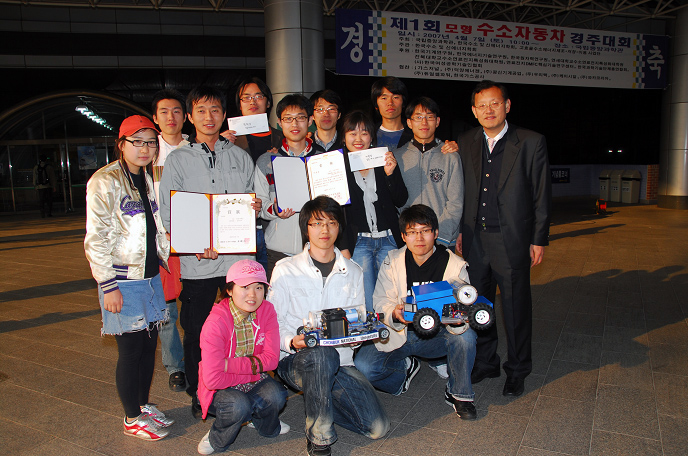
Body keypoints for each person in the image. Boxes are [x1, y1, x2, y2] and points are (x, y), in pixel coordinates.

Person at [159, 86, 262, 418]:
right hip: (198, 264)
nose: (209, 117)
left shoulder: (240, 156)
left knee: (243, 325)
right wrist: (192, 245)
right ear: (190, 116)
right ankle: (200, 390)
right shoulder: (178, 159)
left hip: (238, 262)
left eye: (215, 110)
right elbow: (169, 212)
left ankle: (242, 383)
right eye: (201, 111)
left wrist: (255, 206)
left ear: (224, 115)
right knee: (198, 330)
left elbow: (252, 198)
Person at [269, 196, 390, 456]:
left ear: (339, 227)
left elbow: (356, 321)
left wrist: (357, 337)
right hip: (295, 359)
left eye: (331, 223)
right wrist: (290, 341)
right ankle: (319, 436)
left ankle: (320, 401)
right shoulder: (285, 269)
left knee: (377, 427)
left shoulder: (353, 271)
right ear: (306, 229)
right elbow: (272, 323)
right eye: (317, 223)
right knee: (321, 357)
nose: (324, 230)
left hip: (340, 362)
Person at [457, 80, 551, 397]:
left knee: (515, 309)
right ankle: (486, 362)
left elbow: (541, 193)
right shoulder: (466, 141)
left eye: (495, 103)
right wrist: (460, 231)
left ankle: (518, 369)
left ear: (507, 106)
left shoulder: (531, 142)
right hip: (475, 239)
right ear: (474, 111)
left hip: (511, 239)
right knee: (479, 305)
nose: (489, 110)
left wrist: (538, 238)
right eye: (482, 105)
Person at [84, 115, 174, 440]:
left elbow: (153, 227)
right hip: (122, 281)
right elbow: (96, 238)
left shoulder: (145, 177)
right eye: (137, 142)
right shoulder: (105, 180)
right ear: (121, 144)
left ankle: (142, 404)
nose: (145, 148)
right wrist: (108, 285)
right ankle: (131, 417)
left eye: (151, 142)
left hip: (148, 277)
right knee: (131, 351)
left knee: (149, 348)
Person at [354, 204, 478, 421]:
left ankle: (459, 393)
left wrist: (458, 319)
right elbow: (381, 301)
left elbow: (465, 306)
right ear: (403, 236)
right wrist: (394, 313)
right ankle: (404, 371)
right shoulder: (392, 261)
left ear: (436, 233)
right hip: (401, 333)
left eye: (425, 231)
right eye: (412, 232)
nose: (419, 238)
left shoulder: (454, 265)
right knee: (365, 365)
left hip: (439, 335)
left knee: (466, 336)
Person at [197, 260, 289, 455]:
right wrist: (254, 371)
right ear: (230, 290)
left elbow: (272, 360)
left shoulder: (267, 310)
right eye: (244, 287)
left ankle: (261, 423)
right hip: (221, 387)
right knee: (238, 406)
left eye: (258, 287)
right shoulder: (215, 323)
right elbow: (212, 379)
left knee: (277, 395)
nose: (252, 294)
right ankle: (217, 437)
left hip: (245, 378)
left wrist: (228, 365)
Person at [339, 110, 408, 311]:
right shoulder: (337, 166)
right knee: (366, 302)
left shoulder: (383, 160)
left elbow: (401, 199)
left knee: (393, 297)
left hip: (389, 239)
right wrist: (343, 245)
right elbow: (337, 212)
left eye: (364, 133)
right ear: (344, 137)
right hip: (359, 242)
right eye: (352, 133)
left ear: (371, 137)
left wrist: (390, 174)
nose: (358, 139)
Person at [254, 94, 322, 279]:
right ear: (279, 122)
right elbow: (260, 204)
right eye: (288, 119)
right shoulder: (266, 161)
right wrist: (275, 209)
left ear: (310, 121)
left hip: (317, 248)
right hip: (278, 251)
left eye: (300, 118)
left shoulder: (323, 159)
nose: (294, 124)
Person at [225, 77, 284, 271]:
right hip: (240, 226)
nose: (253, 101)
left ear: (268, 102)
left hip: (275, 225)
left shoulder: (283, 138)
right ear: (239, 104)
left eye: (258, 96)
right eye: (246, 97)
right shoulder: (227, 141)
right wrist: (218, 146)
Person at [151, 88, 188, 392]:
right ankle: (175, 366)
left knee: (195, 304)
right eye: (164, 112)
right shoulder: (149, 152)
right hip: (161, 239)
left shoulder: (197, 147)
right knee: (166, 307)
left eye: (176, 111)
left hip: (194, 238)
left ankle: (198, 358)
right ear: (155, 118)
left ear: (185, 116)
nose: (170, 117)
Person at [395, 96, 464, 250]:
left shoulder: (450, 157)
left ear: (437, 121)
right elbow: (395, 202)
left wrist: (440, 237)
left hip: (443, 240)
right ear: (409, 123)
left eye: (429, 117)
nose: (424, 123)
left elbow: (455, 202)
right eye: (418, 117)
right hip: (409, 241)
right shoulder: (398, 157)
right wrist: (407, 234)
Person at [371, 76, 458, 154]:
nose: (390, 103)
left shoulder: (419, 131)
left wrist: (451, 148)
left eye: (396, 97)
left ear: (403, 102)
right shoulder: (369, 134)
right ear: (376, 104)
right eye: (384, 98)